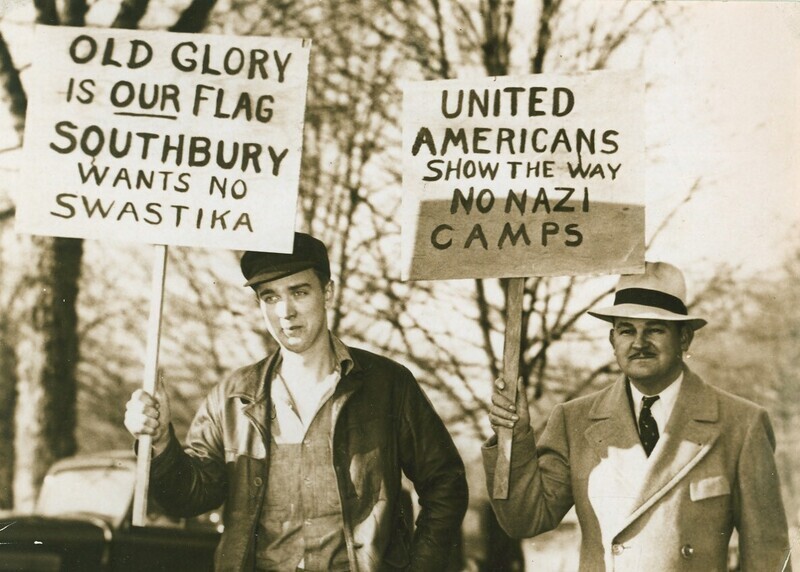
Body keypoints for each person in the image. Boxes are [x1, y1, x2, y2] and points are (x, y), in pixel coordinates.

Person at [125, 232, 468, 571]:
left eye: (299, 292)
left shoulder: (388, 385)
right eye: (269, 297)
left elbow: (445, 484)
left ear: (327, 292)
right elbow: (190, 497)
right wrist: (159, 441)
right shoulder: (231, 397)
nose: (285, 311)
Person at [484, 261, 791, 570]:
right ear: (612, 341)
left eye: (655, 329)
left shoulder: (740, 423)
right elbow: (524, 520)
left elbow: (768, 554)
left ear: (684, 339)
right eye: (627, 330)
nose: (639, 343)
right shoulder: (573, 420)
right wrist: (515, 435)